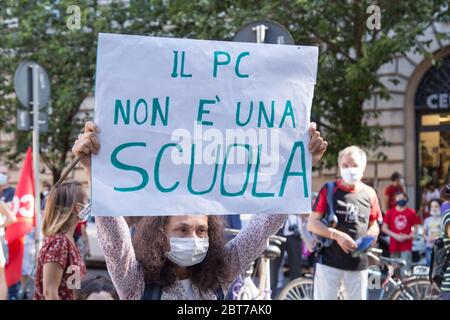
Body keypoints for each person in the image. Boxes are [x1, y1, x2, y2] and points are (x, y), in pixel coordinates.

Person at [72, 121, 327, 300]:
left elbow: (262, 228)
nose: (193, 239)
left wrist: (299, 169)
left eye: (201, 230)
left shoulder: (220, 273)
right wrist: (96, 172)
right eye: (182, 229)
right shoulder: (135, 282)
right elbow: (115, 243)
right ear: (160, 234)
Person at [307, 146, 382, 300]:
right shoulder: (329, 190)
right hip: (329, 263)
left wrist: (371, 235)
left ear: (363, 166)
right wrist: (337, 235)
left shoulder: (370, 193)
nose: (350, 169)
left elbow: (374, 223)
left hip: (358, 264)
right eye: (345, 166)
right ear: (340, 167)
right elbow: (312, 223)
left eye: (354, 165)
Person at [33, 181, 88, 300]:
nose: (89, 205)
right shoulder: (59, 242)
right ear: (78, 208)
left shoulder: (68, 239)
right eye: (86, 201)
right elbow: (50, 293)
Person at [382, 191, 420, 274]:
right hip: (394, 244)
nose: (401, 200)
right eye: (399, 198)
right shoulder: (390, 212)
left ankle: (407, 285)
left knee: (405, 268)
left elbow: (416, 226)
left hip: (406, 244)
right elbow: (384, 228)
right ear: (395, 199)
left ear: (406, 199)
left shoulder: (411, 212)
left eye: (403, 198)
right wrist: (395, 235)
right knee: (394, 269)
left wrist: (409, 236)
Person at [270, 214, 302, 298]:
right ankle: (270, 294)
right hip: (276, 232)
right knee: (273, 267)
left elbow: (306, 212)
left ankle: (296, 293)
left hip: (294, 233)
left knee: (296, 266)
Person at [423, 199, 442, 266]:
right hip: (429, 247)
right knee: (429, 266)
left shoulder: (443, 219)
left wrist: (439, 238)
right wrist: (427, 238)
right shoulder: (427, 220)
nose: (434, 208)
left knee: (440, 267)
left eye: (436, 206)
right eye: (432, 206)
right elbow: (424, 233)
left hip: (441, 248)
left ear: (440, 207)